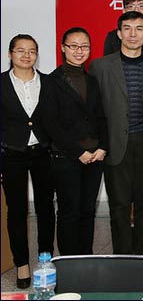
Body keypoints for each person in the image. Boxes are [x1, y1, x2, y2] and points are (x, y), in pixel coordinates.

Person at [89, 11, 143, 254]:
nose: (133, 34)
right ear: (119, 33)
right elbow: (93, 110)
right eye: (128, 29)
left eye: (139, 29)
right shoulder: (100, 66)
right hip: (114, 143)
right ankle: (122, 256)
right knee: (119, 206)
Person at [47, 27, 108, 255]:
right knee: (69, 211)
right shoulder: (52, 81)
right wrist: (77, 151)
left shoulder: (91, 80)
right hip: (67, 157)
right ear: (63, 48)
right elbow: (52, 124)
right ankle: (69, 261)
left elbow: (101, 116)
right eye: (74, 46)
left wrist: (103, 147)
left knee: (87, 211)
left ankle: (86, 256)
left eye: (84, 46)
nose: (79, 51)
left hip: (95, 156)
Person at [1, 34, 55, 289]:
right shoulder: (1, 83)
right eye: (20, 50)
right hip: (11, 153)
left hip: (42, 152)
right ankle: (22, 263)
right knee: (17, 211)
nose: (26, 55)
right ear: (10, 53)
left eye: (31, 51)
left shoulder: (47, 82)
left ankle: (46, 259)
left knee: (46, 208)